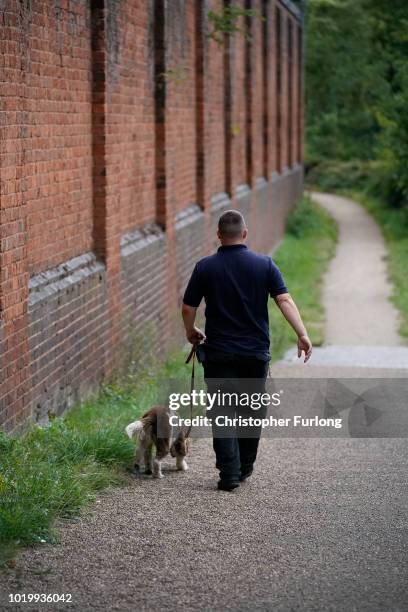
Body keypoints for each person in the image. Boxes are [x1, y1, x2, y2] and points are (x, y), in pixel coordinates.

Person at [181, 210, 312, 491]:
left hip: (218, 353)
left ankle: (229, 472)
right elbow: (284, 299)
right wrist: (301, 333)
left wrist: (190, 331)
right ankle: (245, 467)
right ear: (245, 234)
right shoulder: (264, 264)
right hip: (254, 354)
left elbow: (188, 307)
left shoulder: (205, 267)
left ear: (218, 235)